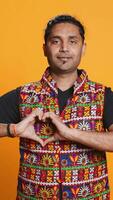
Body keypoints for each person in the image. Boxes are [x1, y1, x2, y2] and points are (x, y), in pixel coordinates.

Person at [0, 14, 113, 200]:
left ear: (83, 48)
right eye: (56, 41)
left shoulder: (103, 95)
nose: (64, 48)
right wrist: (12, 129)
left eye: (73, 41)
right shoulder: (23, 95)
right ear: (45, 48)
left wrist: (70, 133)